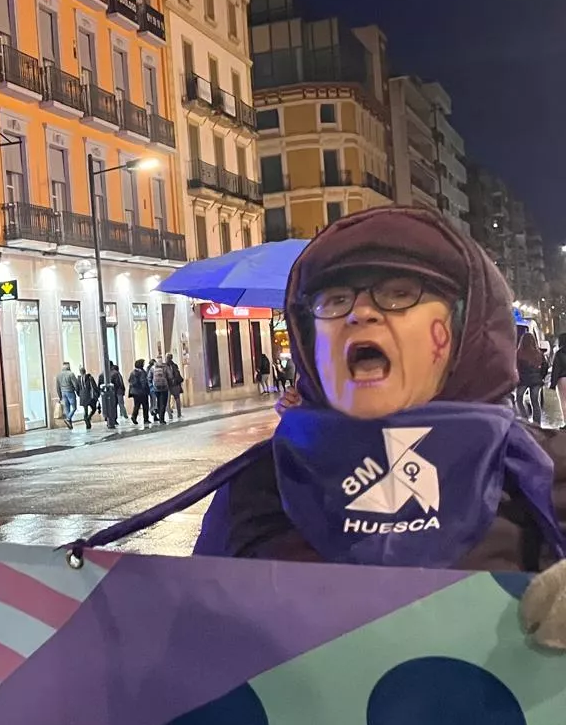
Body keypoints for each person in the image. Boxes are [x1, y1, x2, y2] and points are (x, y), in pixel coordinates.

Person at [74, 207, 566, 595]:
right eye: (333, 301)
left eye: (398, 292)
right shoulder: (260, 485)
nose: (361, 314)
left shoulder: (547, 474)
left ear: (465, 327)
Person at [517, 330, 545, 425]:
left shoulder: (519, 353)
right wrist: (541, 377)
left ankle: (524, 420)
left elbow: (516, 367)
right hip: (536, 381)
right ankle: (537, 423)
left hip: (523, 381)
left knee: (519, 398)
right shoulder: (539, 353)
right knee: (535, 401)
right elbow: (545, 367)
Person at [128, 359, 152, 425]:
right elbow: (143, 382)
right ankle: (146, 419)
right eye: (143, 363)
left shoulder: (132, 372)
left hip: (135, 392)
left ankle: (134, 416)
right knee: (145, 406)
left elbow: (129, 381)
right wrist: (146, 389)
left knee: (137, 405)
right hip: (142, 392)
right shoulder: (142, 372)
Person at [56, 362, 79, 429]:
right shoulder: (71, 374)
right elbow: (75, 384)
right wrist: (77, 391)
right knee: (74, 408)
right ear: (68, 367)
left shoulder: (58, 375)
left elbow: (57, 387)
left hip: (63, 393)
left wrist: (60, 396)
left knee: (67, 409)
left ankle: (70, 424)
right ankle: (68, 418)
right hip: (70, 392)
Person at [101, 361, 123, 429]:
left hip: (105, 393)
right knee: (113, 406)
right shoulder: (115, 373)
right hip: (114, 392)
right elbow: (119, 383)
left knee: (106, 405)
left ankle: (107, 418)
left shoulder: (102, 374)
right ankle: (113, 419)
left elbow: (99, 383)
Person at [149, 357, 171, 422]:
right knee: (163, 403)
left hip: (156, 388)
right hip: (164, 388)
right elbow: (170, 376)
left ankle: (159, 416)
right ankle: (162, 418)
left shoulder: (153, 368)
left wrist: (151, 387)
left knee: (158, 403)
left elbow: (149, 378)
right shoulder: (165, 367)